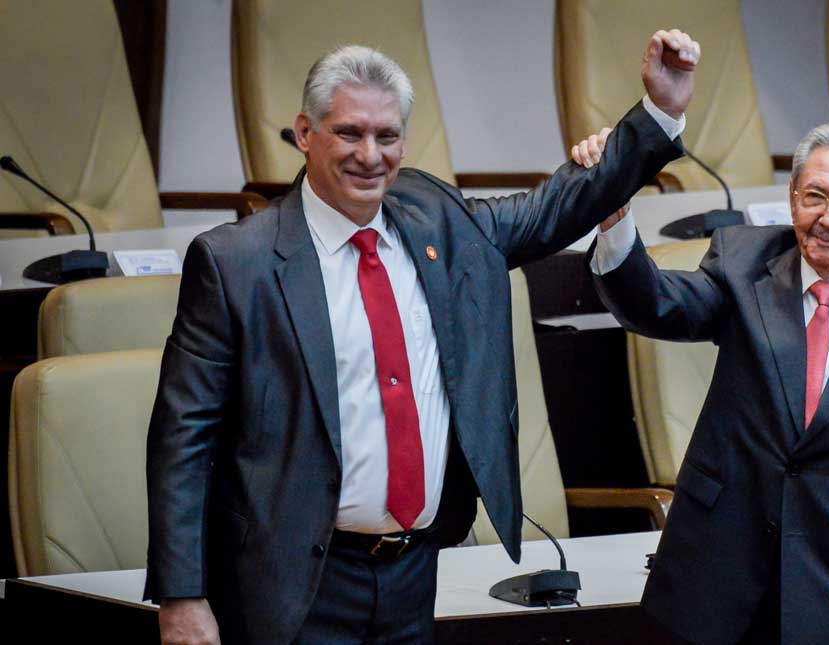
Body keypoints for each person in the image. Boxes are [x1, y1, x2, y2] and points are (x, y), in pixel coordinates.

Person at [146, 29, 701, 645]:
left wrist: (659, 111)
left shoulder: (437, 219)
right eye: (349, 133)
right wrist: (181, 595)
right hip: (289, 585)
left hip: (413, 573)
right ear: (305, 133)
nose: (370, 155)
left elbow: (555, 207)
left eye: (387, 137)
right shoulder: (235, 262)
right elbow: (183, 439)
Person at [575, 121, 829, 644]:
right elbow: (654, 304)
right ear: (792, 199)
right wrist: (614, 216)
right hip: (718, 584)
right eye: (814, 196)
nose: (828, 218)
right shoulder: (744, 264)